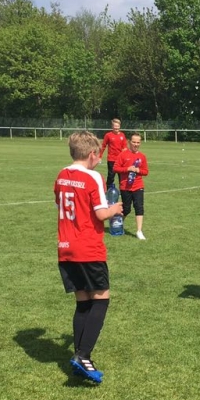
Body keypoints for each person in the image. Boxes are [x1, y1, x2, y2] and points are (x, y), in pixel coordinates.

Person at [55, 131, 124, 384]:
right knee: (101, 299)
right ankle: (83, 355)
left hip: (65, 247)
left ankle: (79, 356)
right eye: (99, 156)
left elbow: (61, 206)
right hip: (88, 247)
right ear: (92, 154)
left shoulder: (62, 175)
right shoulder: (93, 177)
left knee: (83, 302)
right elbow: (101, 214)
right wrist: (115, 209)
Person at [114, 133, 148, 240]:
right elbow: (115, 168)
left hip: (138, 186)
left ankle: (139, 231)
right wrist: (127, 169)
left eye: (138, 142)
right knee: (126, 208)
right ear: (129, 142)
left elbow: (146, 171)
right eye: (134, 142)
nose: (136, 144)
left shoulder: (142, 156)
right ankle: (118, 224)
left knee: (139, 207)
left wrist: (138, 170)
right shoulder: (123, 155)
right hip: (125, 187)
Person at [102, 118, 128, 190]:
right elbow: (103, 146)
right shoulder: (108, 135)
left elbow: (125, 147)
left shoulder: (122, 135)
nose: (116, 128)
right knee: (111, 176)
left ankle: (123, 191)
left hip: (121, 160)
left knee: (122, 177)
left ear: (120, 126)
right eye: (115, 126)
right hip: (111, 160)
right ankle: (108, 191)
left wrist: (125, 156)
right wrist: (99, 156)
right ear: (112, 126)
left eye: (118, 126)